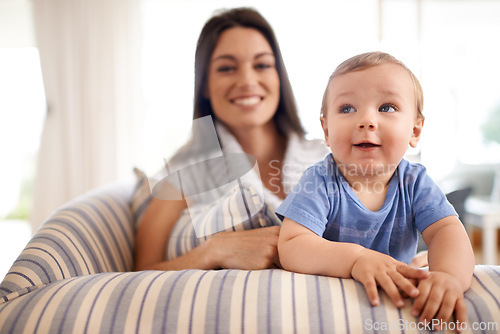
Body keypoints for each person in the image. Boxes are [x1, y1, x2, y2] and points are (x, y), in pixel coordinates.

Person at [276, 52, 475, 326]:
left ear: (415, 131)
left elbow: (447, 232)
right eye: (347, 108)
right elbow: (292, 245)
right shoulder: (320, 180)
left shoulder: (414, 182)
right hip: (342, 297)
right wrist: (356, 259)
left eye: (387, 107)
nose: (366, 120)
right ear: (326, 130)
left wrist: (449, 277)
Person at [134, 7, 329, 271]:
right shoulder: (181, 176)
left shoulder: (330, 156)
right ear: (204, 84)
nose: (247, 80)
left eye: (261, 65)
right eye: (227, 68)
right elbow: (140, 271)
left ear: (278, 77)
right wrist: (215, 249)